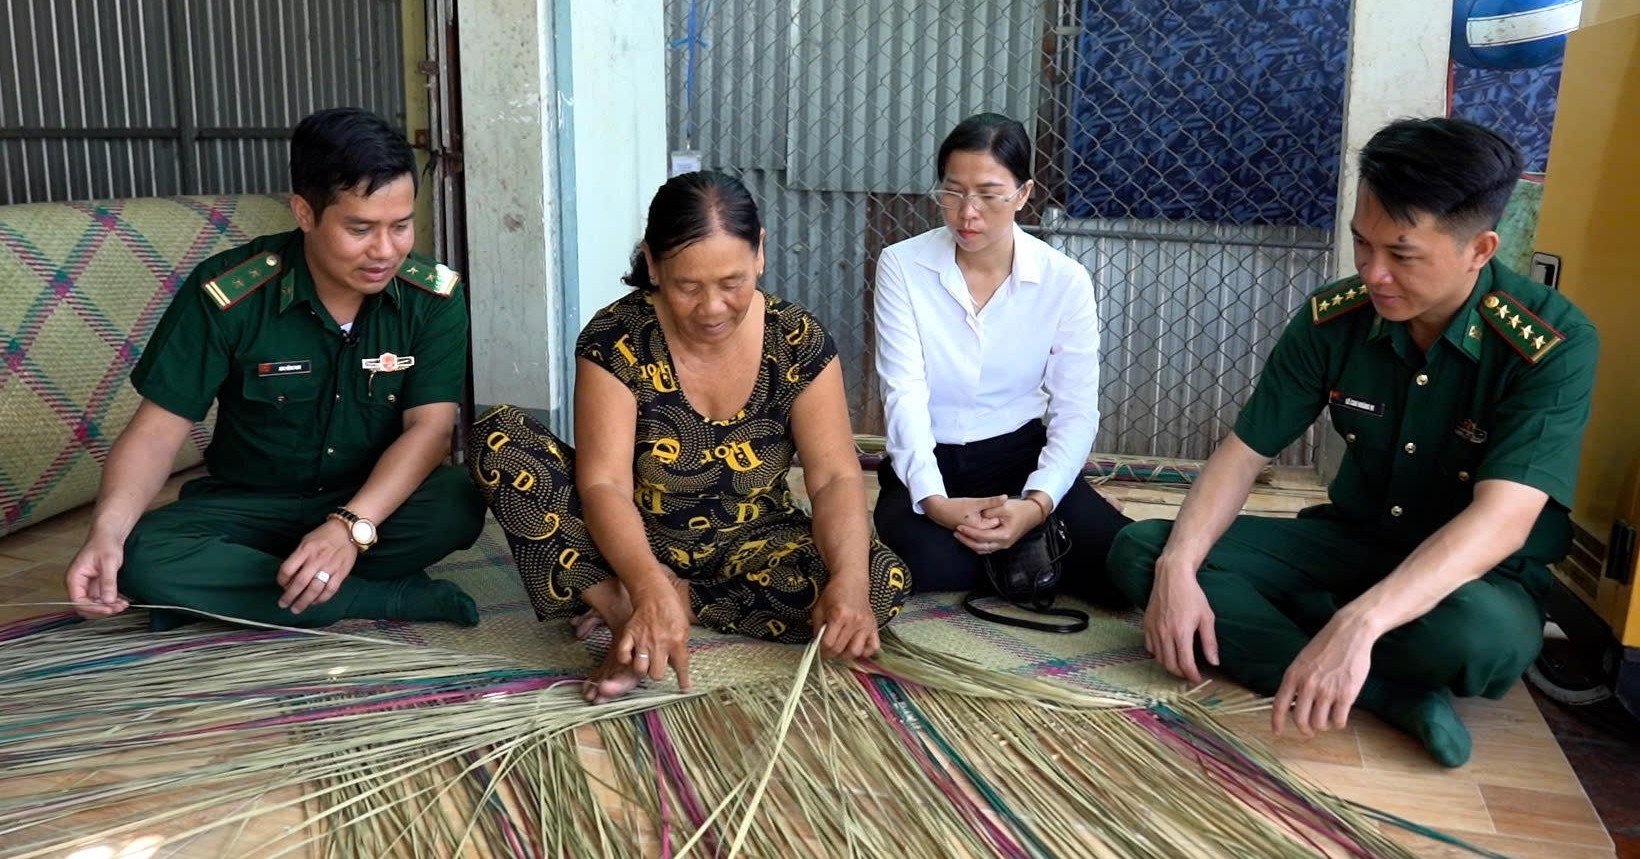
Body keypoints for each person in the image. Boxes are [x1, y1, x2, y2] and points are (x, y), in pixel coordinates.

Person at [1107, 117, 1598, 767]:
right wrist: (1176, 568)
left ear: (1479, 250)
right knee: (1144, 550)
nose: (1373, 273)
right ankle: (1388, 694)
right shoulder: (1332, 319)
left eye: (1402, 254)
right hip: (1350, 544)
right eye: (1361, 244)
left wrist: (1359, 621)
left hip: (1470, 580)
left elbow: (1502, 522)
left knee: (1481, 638)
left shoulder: (1549, 343)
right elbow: (1242, 454)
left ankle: (1325, 633)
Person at [469, 171, 910, 703]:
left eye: (732, 283)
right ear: (653, 265)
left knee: (879, 577)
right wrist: (647, 582)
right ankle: (628, 612)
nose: (712, 308)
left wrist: (850, 584)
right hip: (632, 540)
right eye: (687, 286)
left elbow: (837, 476)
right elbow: (604, 484)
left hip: (752, 543)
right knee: (498, 438)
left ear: (760, 254)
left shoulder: (797, 339)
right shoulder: (617, 338)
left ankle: (683, 605)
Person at [63, 107, 486, 631]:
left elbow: (430, 430)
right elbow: (154, 434)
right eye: (360, 228)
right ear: (305, 213)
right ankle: (374, 597)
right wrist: (105, 531)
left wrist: (349, 527)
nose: (385, 250)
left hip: (367, 503)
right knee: (141, 554)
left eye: (400, 226)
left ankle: (254, 592)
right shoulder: (228, 294)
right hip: (250, 508)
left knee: (457, 500)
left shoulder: (433, 299)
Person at [871, 112, 1130, 605]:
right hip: (932, 461)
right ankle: (1039, 553)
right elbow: (903, 393)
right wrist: (935, 502)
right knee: (929, 567)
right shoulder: (902, 265)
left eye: (989, 195)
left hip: (1019, 456)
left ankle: (1047, 533)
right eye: (953, 192)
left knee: (1122, 564)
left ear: (1023, 194)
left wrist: (1036, 505)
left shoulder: (1063, 280)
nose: (968, 213)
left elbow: (1075, 410)